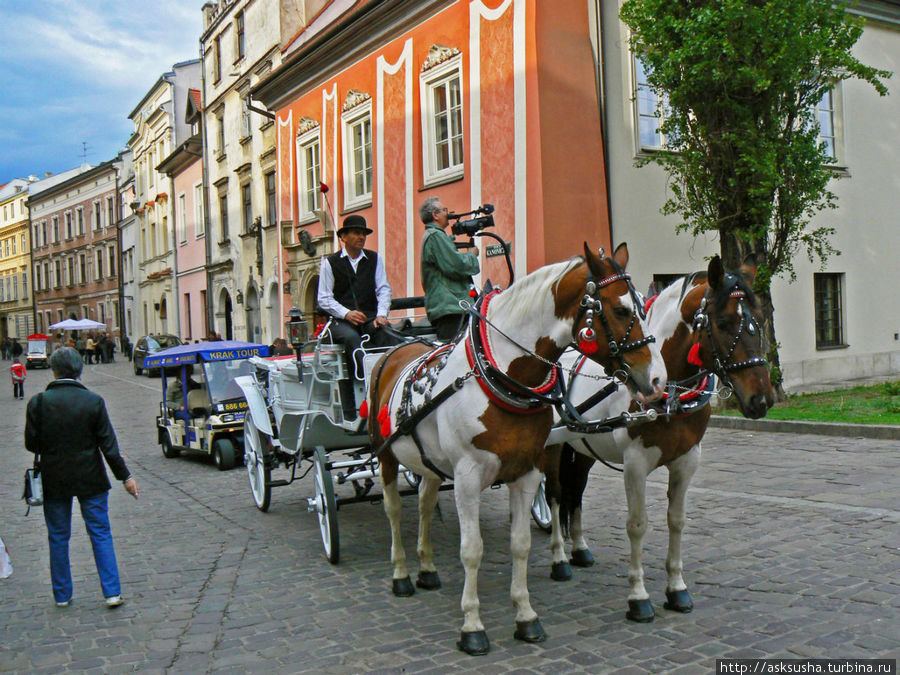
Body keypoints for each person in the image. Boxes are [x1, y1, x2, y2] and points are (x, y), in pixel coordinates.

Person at [25, 347, 139, 609]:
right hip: (91, 477)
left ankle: (62, 595)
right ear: (79, 371)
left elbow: (32, 444)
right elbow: (108, 446)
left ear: (54, 370)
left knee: (57, 536)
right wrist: (126, 477)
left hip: (54, 478)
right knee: (100, 532)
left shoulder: (38, 403)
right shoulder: (94, 401)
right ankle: (111, 592)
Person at [317, 214, 397, 418]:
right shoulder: (330, 263)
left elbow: (384, 289)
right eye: (356, 233)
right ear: (344, 236)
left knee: (387, 334)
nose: (361, 237)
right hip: (340, 321)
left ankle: (393, 380)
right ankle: (366, 382)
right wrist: (346, 313)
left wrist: (381, 315)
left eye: (363, 233)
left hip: (369, 317)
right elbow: (324, 298)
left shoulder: (374, 258)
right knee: (352, 339)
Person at [419, 196, 481, 341]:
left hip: (450, 307)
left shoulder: (436, 236)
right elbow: (455, 265)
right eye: (445, 210)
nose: (449, 213)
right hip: (450, 307)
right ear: (435, 215)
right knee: (455, 354)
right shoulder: (435, 236)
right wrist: (472, 255)